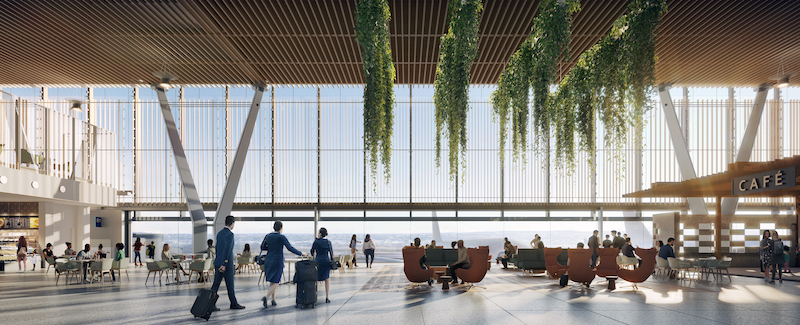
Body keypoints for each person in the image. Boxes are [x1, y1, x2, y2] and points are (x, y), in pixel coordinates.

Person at [261, 220, 305, 309]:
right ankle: (266, 297)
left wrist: (271, 248)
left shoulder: (268, 236)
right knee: (276, 281)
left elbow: (262, 247)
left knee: (272, 281)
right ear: (281, 228)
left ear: (273, 227)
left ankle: (273, 300)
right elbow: (290, 248)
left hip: (268, 260)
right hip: (277, 260)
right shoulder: (281, 237)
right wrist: (301, 253)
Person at [208, 216, 245, 310]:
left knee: (215, 284)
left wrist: (219, 262)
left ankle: (210, 304)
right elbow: (228, 250)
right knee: (230, 285)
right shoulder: (230, 234)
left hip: (217, 262)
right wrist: (224, 264)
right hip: (226, 265)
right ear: (232, 223)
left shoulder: (219, 233)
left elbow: (217, 248)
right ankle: (234, 303)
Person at [311, 227, 335, 303]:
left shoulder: (316, 242)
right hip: (326, 262)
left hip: (318, 262)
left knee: (317, 279)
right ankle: (327, 297)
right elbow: (331, 253)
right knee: (326, 279)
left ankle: (314, 297)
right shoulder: (328, 242)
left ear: (320, 234)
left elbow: (312, 251)